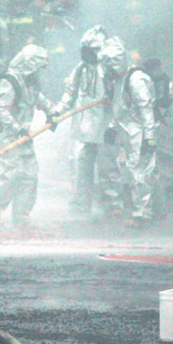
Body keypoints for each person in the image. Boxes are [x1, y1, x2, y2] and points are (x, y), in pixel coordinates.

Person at [0, 44, 56, 227]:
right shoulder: (9, 82)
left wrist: (51, 112)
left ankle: (21, 216)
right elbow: (0, 109)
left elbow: (36, 98)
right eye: (37, 68)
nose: (38, 72)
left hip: (22, 134)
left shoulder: (29, 82)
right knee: (14, 173)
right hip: (3, 134)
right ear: (29, 65)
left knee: (30, 174)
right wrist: (17, 128)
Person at [53, 25, 112, 213]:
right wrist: (57, 112)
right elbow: (69, 94)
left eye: (90, 51)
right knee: (82, 164)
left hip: (107, 127)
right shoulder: (80, 70)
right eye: (84, 50)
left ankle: (112, 203)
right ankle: (81, 202)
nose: (86, 55)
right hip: (86, 128)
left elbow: (120, 100)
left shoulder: (111, 70)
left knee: (108, 166)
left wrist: (113, 124)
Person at [101, 37, 159, 226]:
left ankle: (143, 214)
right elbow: (120, 106)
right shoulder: (122, 79)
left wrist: (149, 138)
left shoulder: (136, 79)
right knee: (132, 173)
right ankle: (139, 211)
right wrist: (112, 127)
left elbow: (146, 110)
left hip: (139, 132)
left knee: (140, 174)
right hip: (128, 131)